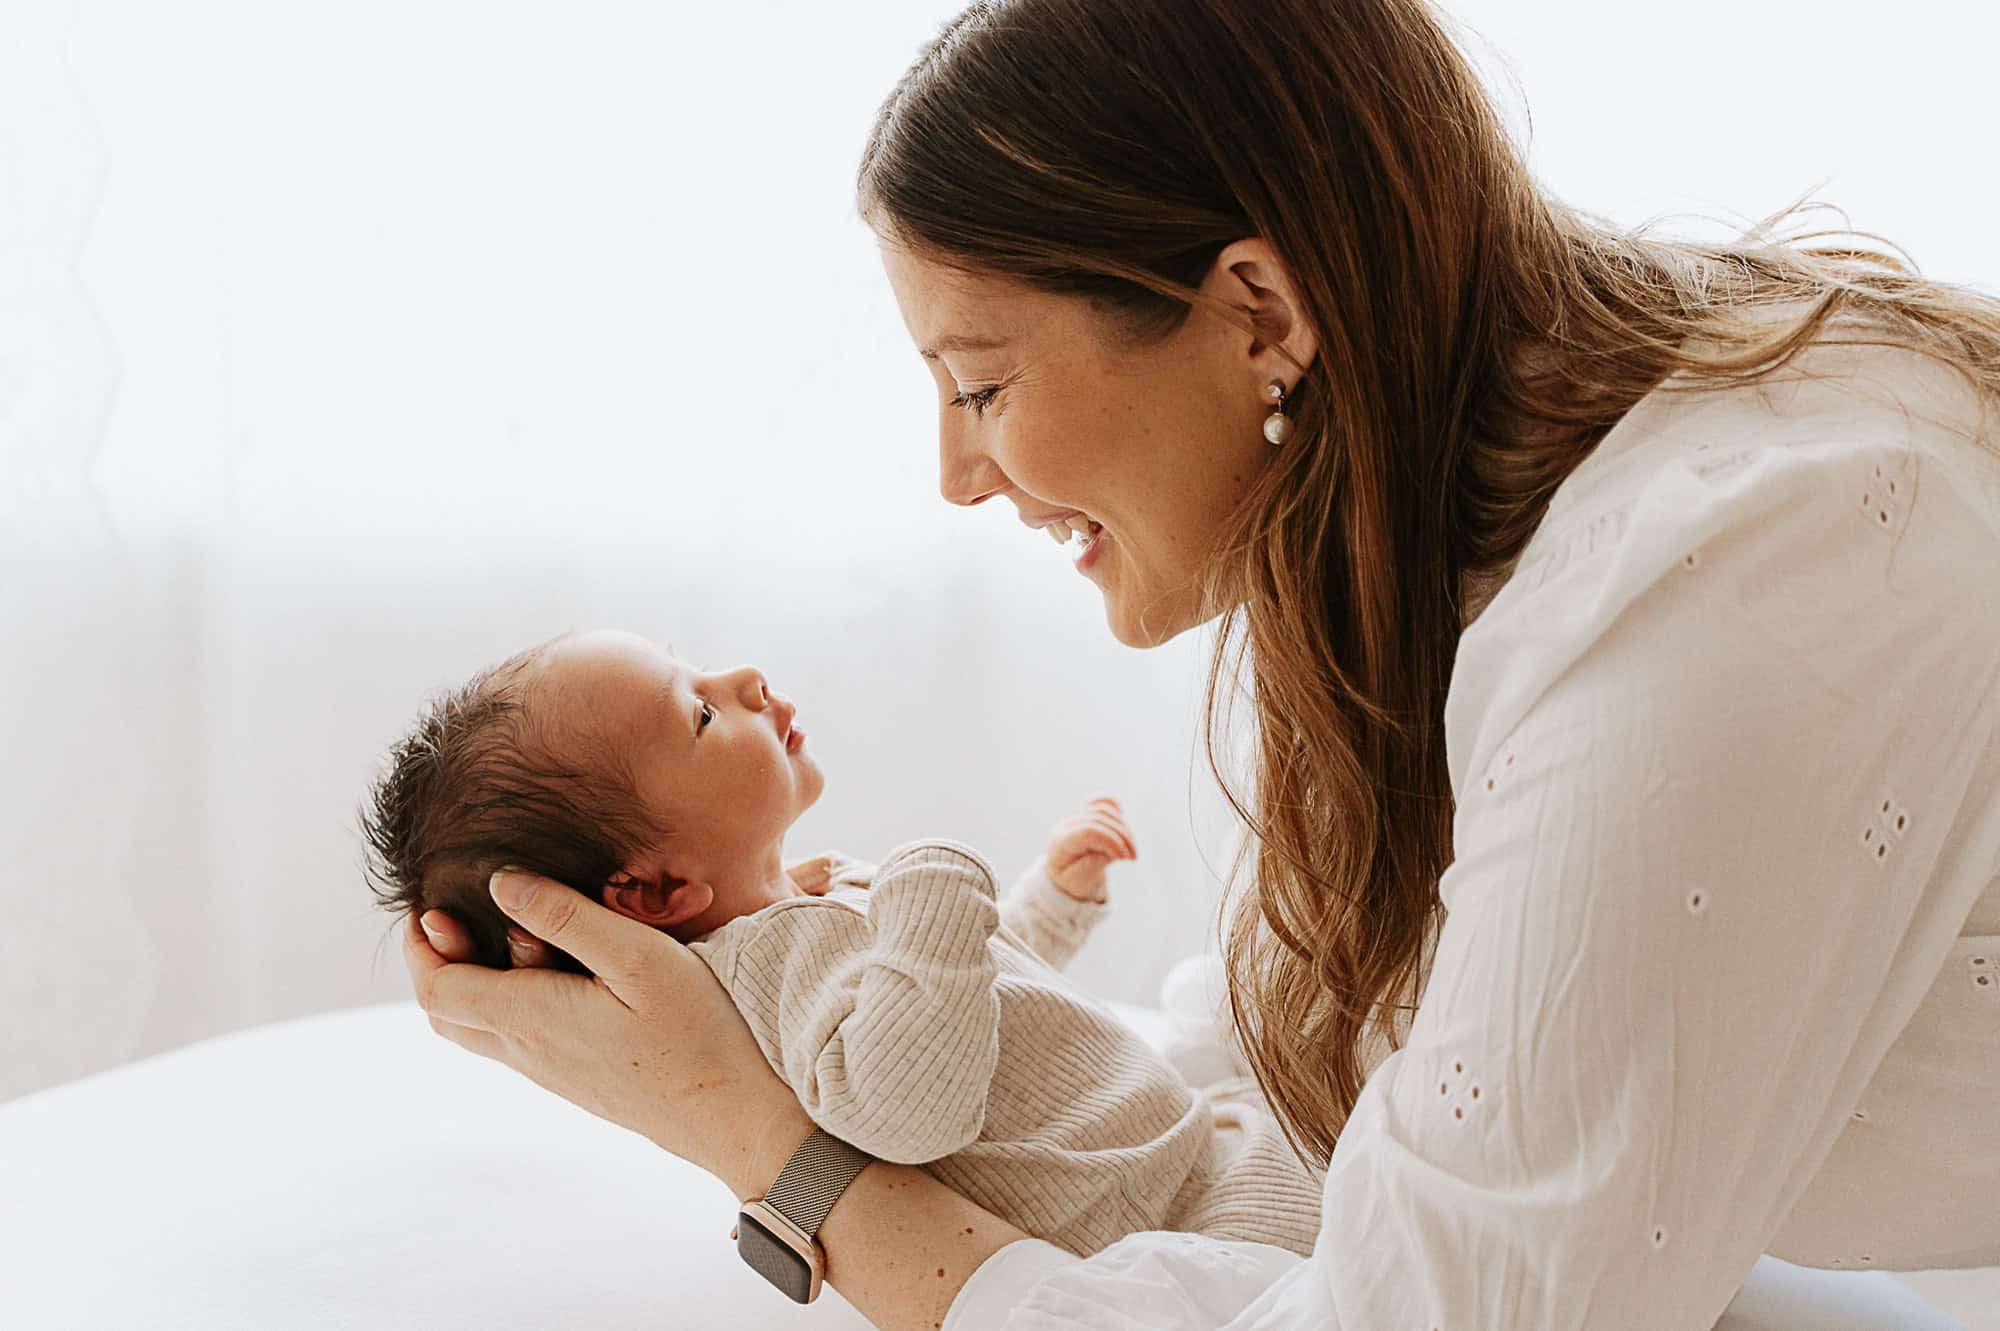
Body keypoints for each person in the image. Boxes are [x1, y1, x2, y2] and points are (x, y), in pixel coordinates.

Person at [403, 1, 2000, 1327]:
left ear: (1257, 310)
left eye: (980, 382)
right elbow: (1267, 1052)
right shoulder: (1434, 544)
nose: (959, 477)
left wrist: (762, 1146)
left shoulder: (1721, 590)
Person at [361, 628, 1324, 1258]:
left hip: (1188, 1154)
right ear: (652, 888)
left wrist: (1050, 905)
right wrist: (942, 878)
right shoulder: (768, 973)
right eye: (699, 714)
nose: (743, 678)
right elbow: (911, 1106)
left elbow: (969, 1017)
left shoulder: (805, 911)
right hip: (1188, 1219)